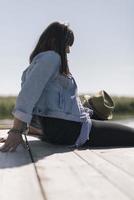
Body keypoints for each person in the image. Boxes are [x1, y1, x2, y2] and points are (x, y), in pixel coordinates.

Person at [0, 21, 134, 152]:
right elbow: (28, 95)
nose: (68, 51)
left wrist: (20, 130)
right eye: (67, 45)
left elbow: (36, 101)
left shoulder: (40, 62)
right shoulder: (51, 58)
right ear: (54, 41)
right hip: (68, 130)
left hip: (59, 130)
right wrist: (16, 131)